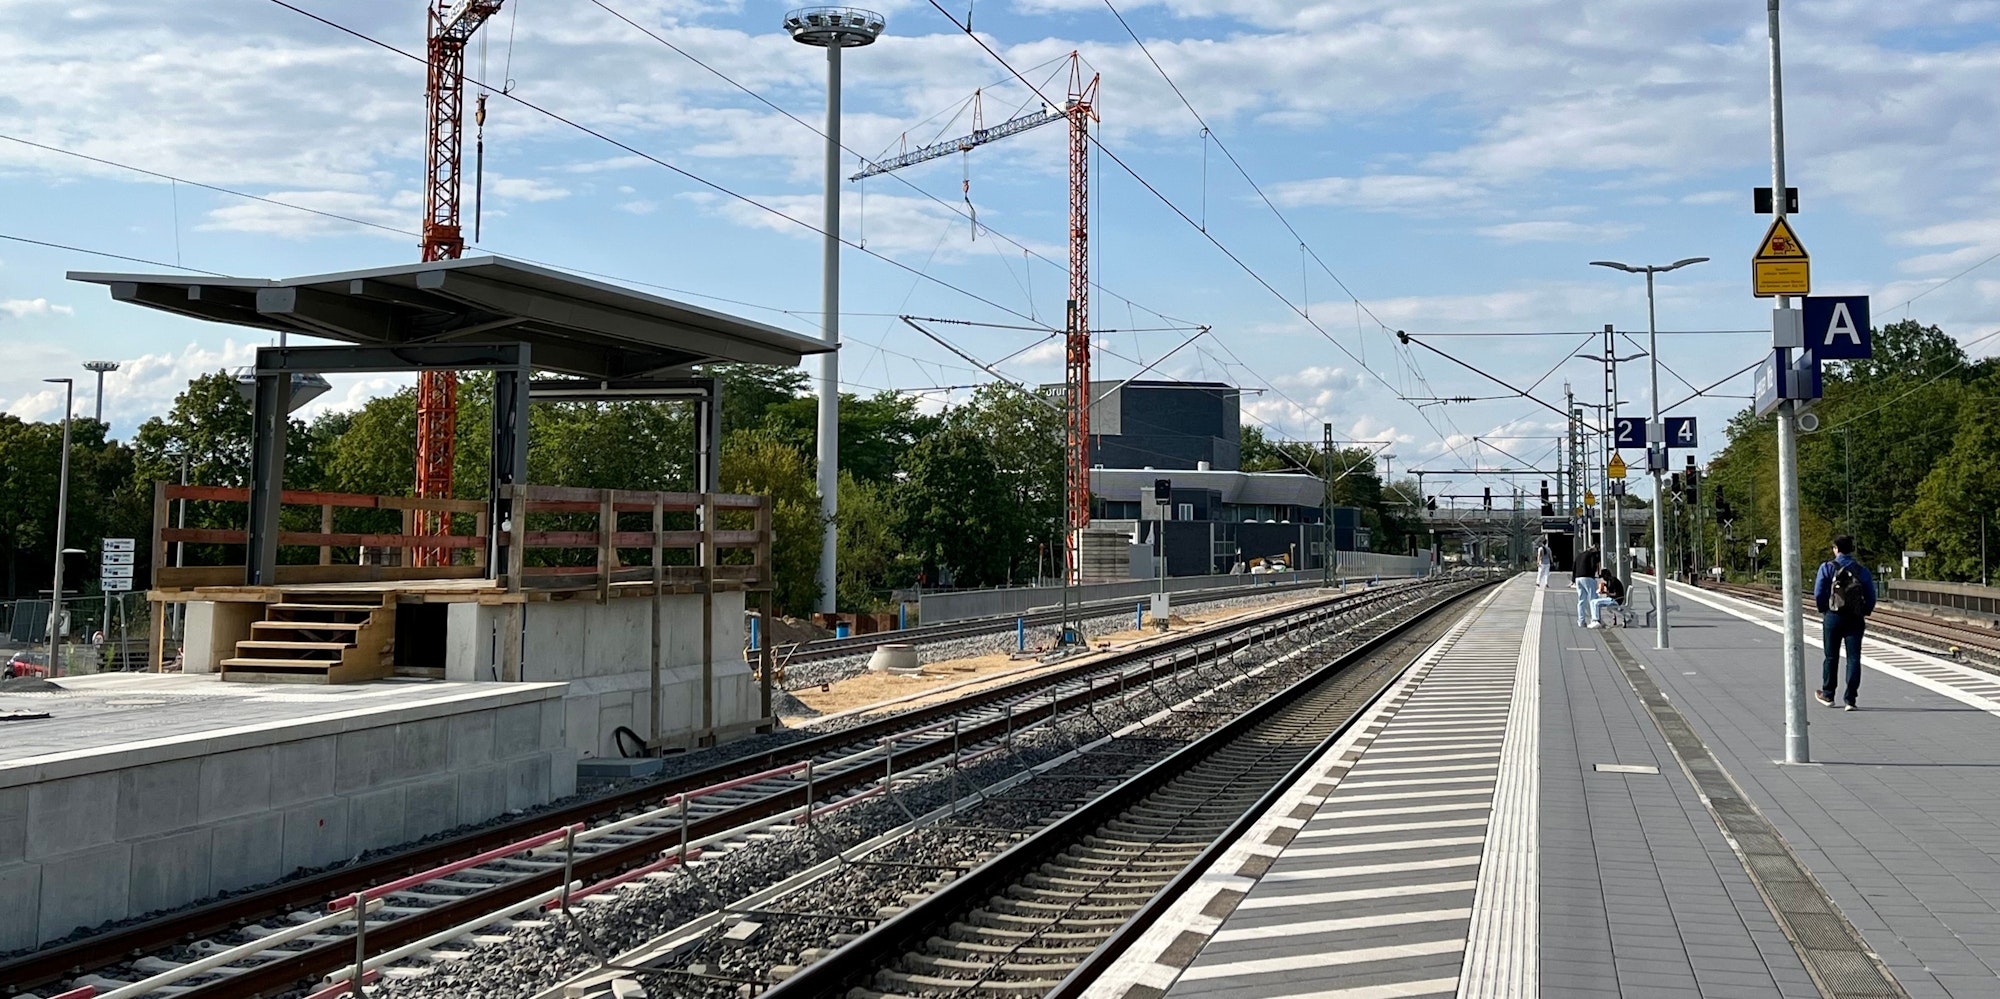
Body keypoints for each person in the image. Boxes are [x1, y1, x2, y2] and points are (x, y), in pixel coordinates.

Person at [1813, 534, 1876, 710]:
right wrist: (1864, 611)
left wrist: (1823, 609)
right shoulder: (1862, 570)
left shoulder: (1826, 567)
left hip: (1833, 616)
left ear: (1836, 549)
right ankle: (1850, 700)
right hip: (1855, 618)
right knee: (1854, 658)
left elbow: (1818, 592)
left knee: (1831, 657)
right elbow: (1871, 595)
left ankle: (1828, 695)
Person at [1573, 544, 1602, 627]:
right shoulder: (1592, 555)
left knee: (1581, 600)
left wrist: (1573, 579)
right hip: (1588, 577)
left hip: (1578, 578)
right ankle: (1595, 619)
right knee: (1593, 598)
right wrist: (1594, 575)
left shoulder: (1579, 555)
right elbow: (1594, 565)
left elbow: (1574, 567)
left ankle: (1581, 621)